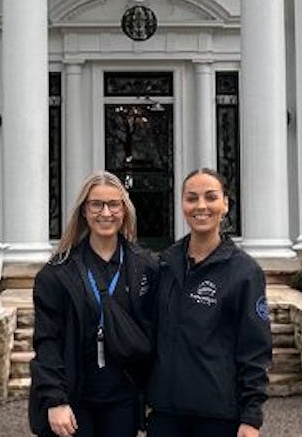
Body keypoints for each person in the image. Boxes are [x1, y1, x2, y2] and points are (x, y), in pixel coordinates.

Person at [29, 171, 160, 437]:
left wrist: (154, 395)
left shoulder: (146, 266)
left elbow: (157, 332)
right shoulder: (57, 273)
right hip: (75, 399)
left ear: (124, 210)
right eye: (96, 204)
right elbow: (48, 341)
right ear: (84, 212)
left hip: (123, 399)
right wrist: (55, 400)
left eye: (114, 204)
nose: (106, 212)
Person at [148, 168, 271, 437]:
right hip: (166, 413)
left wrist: (251, 416)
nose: (201, 206)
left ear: (225, 204)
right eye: (192, 198)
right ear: (182, 204)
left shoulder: (244, 272)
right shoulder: (165, 264)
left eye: (210, 197)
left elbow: (255, 348)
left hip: (217, 415)